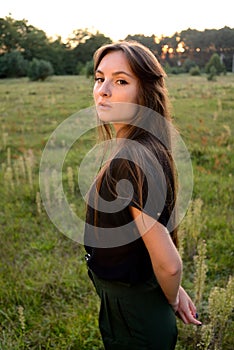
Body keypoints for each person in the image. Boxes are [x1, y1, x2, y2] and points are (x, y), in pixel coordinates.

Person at [84, 40, 202, 350]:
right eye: (100, 78)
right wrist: (167, 290)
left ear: (144, 93)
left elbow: (171, 265)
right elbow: (154, 240)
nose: (103, 90)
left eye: (120, 80)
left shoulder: (130, 159)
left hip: (134, 314)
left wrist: (173, 294)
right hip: (139, 299)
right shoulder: (145, 145)